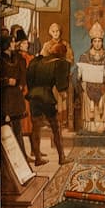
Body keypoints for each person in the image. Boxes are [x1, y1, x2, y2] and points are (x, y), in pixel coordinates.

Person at [26, 38, 71, 166]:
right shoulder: (61, 63)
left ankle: (38, 159)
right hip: (46, 97)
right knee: (56, 127)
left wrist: (34, 92)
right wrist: (64, 96)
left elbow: (29, 79)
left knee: (36, 127)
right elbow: (62, 88)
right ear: (62, 53)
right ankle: (62, 157)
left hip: (34, 96)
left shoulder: (36, 61)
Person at [76, 24, 105, 134]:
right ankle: (89, 125)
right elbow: (76, 74)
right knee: (86, 94)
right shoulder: (84, 56)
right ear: (91, 42)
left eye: (99, 41)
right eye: (95, 41)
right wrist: (79, 74)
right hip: (88, 86)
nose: (97, 44)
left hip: (104, 87)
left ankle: (104, 125)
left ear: (102, 42)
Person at [0, 30, 29, 156]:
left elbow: (22, 74)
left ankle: (22, 159)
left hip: (16, 96)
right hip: (5, 97)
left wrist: (21, 84)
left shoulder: (17, 58)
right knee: (6, 130)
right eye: (11, 42)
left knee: (18, 130)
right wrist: (6, 81)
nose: (14, 44)